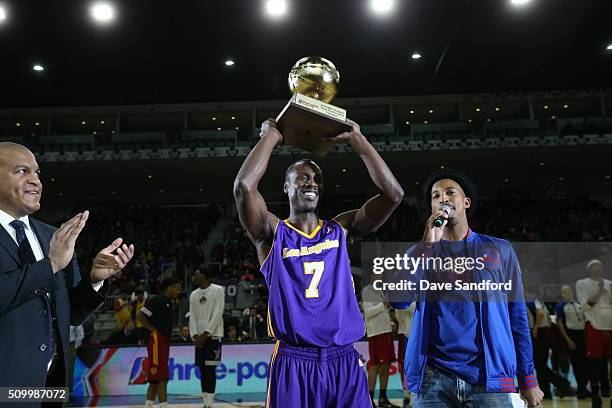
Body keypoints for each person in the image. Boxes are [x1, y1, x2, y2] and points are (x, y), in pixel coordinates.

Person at [233, 118, 403, 407]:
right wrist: (271, 137)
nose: (311, 181)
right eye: (302, 177)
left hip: (343, 358)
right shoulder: (272, 233)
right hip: (294, 359)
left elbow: (393, 194)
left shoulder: (340, 228)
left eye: (316, 178)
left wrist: (358, 141)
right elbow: (244, 187)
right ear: (285, 188)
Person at [391, 169, 543, 408]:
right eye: (435, 196)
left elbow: (517, 317)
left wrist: (528, 378)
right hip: (433, 379)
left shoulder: (500, 250)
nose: (443, 198)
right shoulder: (419, 252)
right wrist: (427, 245)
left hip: (489, 378)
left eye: (450, 192)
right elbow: (398, 299)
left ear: (466, 202)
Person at [0, 142, 134, 396]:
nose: (36, 181)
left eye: (37, 173)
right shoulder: (57, 250)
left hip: (52, 387)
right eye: (22, 171)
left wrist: (95, 279)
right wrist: (50, 265)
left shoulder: (54, 236)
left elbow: (71, 314)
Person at [137, 277, 182, 408]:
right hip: (156, 340)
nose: (178, 291)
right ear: (169, 287)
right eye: (176, 288)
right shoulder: (156, 301)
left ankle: (149, 405)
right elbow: (141, 316)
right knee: (161, 376)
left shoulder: (169, 302)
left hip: (163, 341)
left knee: (156, 377)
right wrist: (153, 331)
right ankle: (163, 405)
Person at [576, 259, 612, 408]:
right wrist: (600, 291)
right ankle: (595, 396)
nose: (599, 267)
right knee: (594, 363)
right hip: (594, 326)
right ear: (589, 269)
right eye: (595, 265)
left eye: (600, 265)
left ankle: (608, 393)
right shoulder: (582, 283)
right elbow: (585, 305)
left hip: (610, 326)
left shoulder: (610, 283)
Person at [189, 268, 225, 408]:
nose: (194, 277)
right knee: (202, 370)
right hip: (198, 338)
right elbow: (192, 315)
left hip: (214, 336)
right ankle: (205, 402)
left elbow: (218, 312)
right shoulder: (193, 294)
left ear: (205, 276)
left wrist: (206, 333)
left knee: (210, 370)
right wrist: (194, 335)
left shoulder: (218, 290)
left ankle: (210, 403)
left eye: (196, 274)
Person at [362, 273, 398, 408]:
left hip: (386, 331)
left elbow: (383, 311)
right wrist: (383, 305)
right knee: (375, 365)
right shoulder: (367, 291)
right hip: (376, 333)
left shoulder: (381, 291)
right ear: (371, 276)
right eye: (378, 275)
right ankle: (370, 400)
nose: (380, 278)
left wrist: (390, 322)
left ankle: (383, 398)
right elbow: (368, 311)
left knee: (386, 365)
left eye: (382, 276)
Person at [555, 285, 589, 399]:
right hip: (570, 336)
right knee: (574, 364)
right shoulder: (560, 306)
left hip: (582, 336)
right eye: (564, 292)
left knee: (584, 363)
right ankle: (575, 389)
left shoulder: (579, 304)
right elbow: (559, 323)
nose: (567, 293)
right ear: (562, 294)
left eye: (568, 291)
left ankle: (583, 388)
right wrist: (568, 339)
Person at [395, 303, 415, 408]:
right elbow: (398, 314)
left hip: (411, 333)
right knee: (406, 364)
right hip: (407, 333)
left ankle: (411, 395)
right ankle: (408, 394)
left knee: (410, 365)